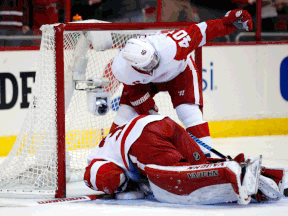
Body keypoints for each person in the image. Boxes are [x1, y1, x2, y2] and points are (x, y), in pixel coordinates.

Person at [109, 9, 253, 156]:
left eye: (154, 58)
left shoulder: (171, 46)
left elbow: (203, 30)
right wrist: (143, 104)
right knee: (125, 114)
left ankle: (205, 156)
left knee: (188, 112)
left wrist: (226, 23)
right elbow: (133, 88)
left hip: (179, 72)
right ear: (135, 66)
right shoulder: (121, 69)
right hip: (144, 83)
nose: (155, 63)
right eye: (149, 64)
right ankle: (109, 154)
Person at [84, 115, 286, 205]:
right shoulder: (105, 147)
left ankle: (230, 172)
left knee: (179, 173)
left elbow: (105, 177)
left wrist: (126, 188)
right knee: (200, 163)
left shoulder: (96, 165)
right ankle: (271, 175)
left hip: (143, 141)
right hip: (163, 123)